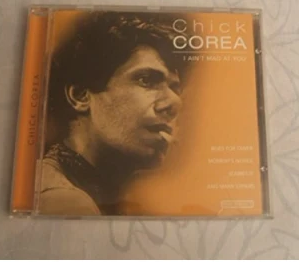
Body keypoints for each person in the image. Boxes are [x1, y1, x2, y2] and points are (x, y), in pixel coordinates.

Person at [38, 11, 191, 216]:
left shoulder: (98, 194)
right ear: (80, 96)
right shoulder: (64, 200)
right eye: (146, 80)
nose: (174, 102)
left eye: (175, 88)